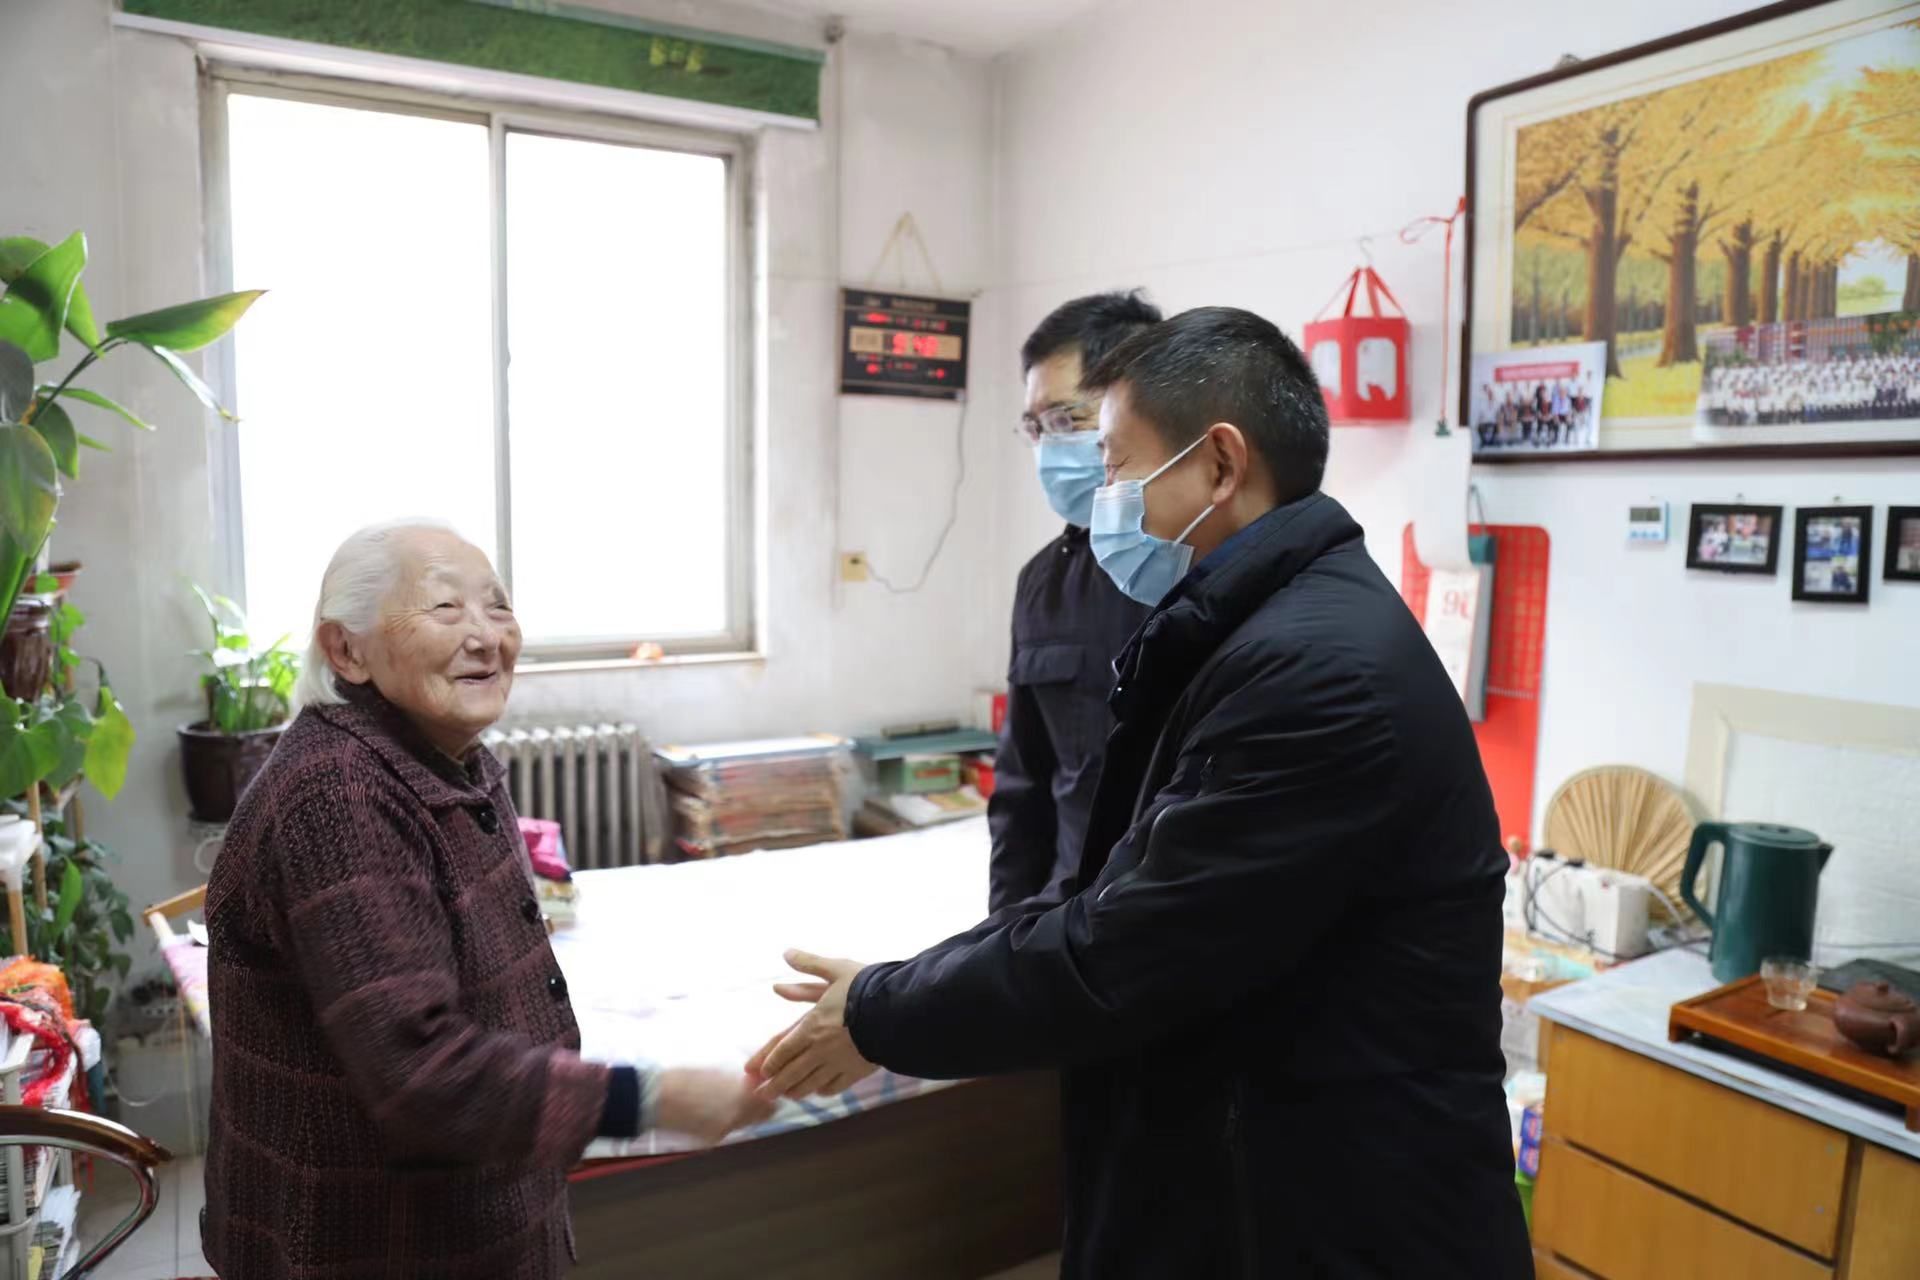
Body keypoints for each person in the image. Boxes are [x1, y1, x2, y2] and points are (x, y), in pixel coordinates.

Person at [749, 308, 1532, 1278]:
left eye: (1118, 466)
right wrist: (934, 977)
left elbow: (1122, 948)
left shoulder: (1315, 675)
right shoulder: (1249, 629)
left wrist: (882, 1008)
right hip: (1249, 1164)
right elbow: (1087, 865)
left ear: (1220, 465)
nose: (1103, 499)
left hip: (1337, 1214)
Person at [202, 520, 770, 1279]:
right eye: (445, 608)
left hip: (473, 1211)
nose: (486, 637)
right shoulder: (339, 796)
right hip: (368, 1240)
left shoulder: (446, 757)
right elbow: (420, 1070)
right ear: (346, 650)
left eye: (498, 607)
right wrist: (652, 1099)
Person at [991, 291, 1160, 911]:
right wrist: (1002, 937)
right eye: (1036, 428)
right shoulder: (1044, 582)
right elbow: (1023, 790)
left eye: (1066, 420)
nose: (1049, 447)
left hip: (1176, 918)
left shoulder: (1206, 563)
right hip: (1067, 916)